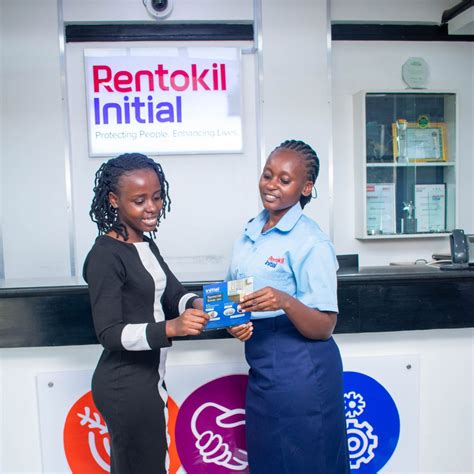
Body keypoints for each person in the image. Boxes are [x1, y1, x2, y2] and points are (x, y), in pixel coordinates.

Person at [227, 140, 349, 473]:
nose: (271, 185)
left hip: (303, 369)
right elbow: (233, 296)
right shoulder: (249, 232)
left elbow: (324, 327)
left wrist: (284, 300)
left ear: (306, 187)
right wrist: (234, 322)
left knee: (308, 463)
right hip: (262, 365)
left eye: (284, 180)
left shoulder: (311, 241)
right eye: (268, 175)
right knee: (269, 462)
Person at [83, 153, 209, 474]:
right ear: (114, 200)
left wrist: (196, 304)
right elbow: (109, 333)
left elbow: (174, 294)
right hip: (124, 384)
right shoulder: (105, 255)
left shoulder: (144, 243)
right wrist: (170, 328)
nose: (151, 207)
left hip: (147, 378)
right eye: (139, 200)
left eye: (156, 196)